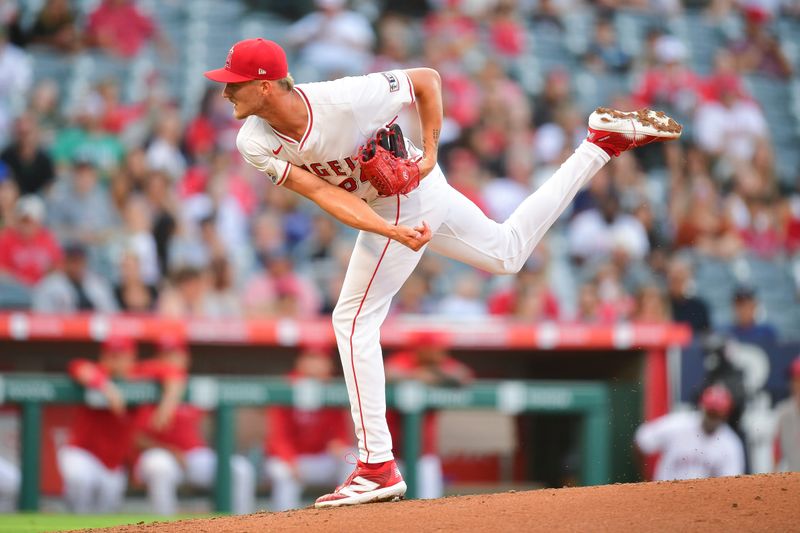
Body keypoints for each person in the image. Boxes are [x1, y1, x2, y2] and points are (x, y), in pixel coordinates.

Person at [204, 37, 681, 507]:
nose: (225, 92)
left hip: (412, 186)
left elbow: (426, 82)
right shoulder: (254, 140)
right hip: (392, 202)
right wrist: (384, 230)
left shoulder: (344, 97)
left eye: (234, 84)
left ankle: (376, 466)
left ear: (266, 86)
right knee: (506, 254)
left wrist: (430, 154)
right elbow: (325, 194)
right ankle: (599, 145)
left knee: (351, 321)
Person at [133, 335, 256, 515]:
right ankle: (164, 527)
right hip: (156, 456)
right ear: (157, 358)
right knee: (160, 466)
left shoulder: (193, 387)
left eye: (176, 355)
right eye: (166, 355)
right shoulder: (144, 382)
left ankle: (244, 525)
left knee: (241, 469)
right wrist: (170, 450)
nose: (171, 360)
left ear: (186, 358)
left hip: (191, 457)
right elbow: (134, 438)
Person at [60, 335, 183, 513]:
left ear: (132, 357)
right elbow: (78, 367)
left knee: (105, 515)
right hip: (83, 454)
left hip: (113, 465)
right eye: (112, 356)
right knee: (80, 481)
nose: (116, 362)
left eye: (122, 356)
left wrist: (167, 405)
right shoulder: (99, 371)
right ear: (103, 357)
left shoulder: (140, 373)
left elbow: (174, 373)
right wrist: (105, 387)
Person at [264, 343, 353, 511]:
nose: (316, 364)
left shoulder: (331, 388)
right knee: (284, 474)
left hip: (319, 461)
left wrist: (339, 443)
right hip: (290, 459)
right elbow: (277, 436)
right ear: (300, 362)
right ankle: (283, 525)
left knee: (352, 459)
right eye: (311, 358)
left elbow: (340, 433)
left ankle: (347, 518)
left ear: (329, 364)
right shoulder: (287, 386)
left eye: (321, 359)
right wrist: (289, 459)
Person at [385, 331, 473, 499]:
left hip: (425, 455)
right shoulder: (404, 360)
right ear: (421, 349)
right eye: (435, 349)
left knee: (429, 504)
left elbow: (464, 375)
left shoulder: (439, 365)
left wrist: (432, 376)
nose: (441, 353)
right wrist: (416, 376)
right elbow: (389, 373)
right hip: (392, 453)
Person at [635, 384, 745, 481]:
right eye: (710, 412)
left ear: (725, 415)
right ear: (702, 407)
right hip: (664, 496)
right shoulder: (678, 424)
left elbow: (730, 485)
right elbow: (642, 440)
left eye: (716, 414)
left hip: (703, 501)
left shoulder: (730, 443)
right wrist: (646, 481)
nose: (712, 418)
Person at [31, 241, 118, 313]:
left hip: (95, 331)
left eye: (80, 261)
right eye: (72, 261)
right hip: (62, 332)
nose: (76, 266)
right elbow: (41, 316)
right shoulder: (49, 285)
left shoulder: (97, 283)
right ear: (64, 262)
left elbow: (111, 312)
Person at [0, 195, 62, 286]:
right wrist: (21, 282)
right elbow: (2, 270)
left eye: (29, 221)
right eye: (23, 220)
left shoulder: (47, 238)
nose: (26, 225)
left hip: (42, 288)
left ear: (39, 221)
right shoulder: (6, 238)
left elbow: (58, 265)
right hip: (14, 289)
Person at [774, 356, 800, 472]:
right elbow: (777, 451)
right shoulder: (783, 411)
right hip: (793, 482)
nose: (794, 384)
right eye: (794, 379)